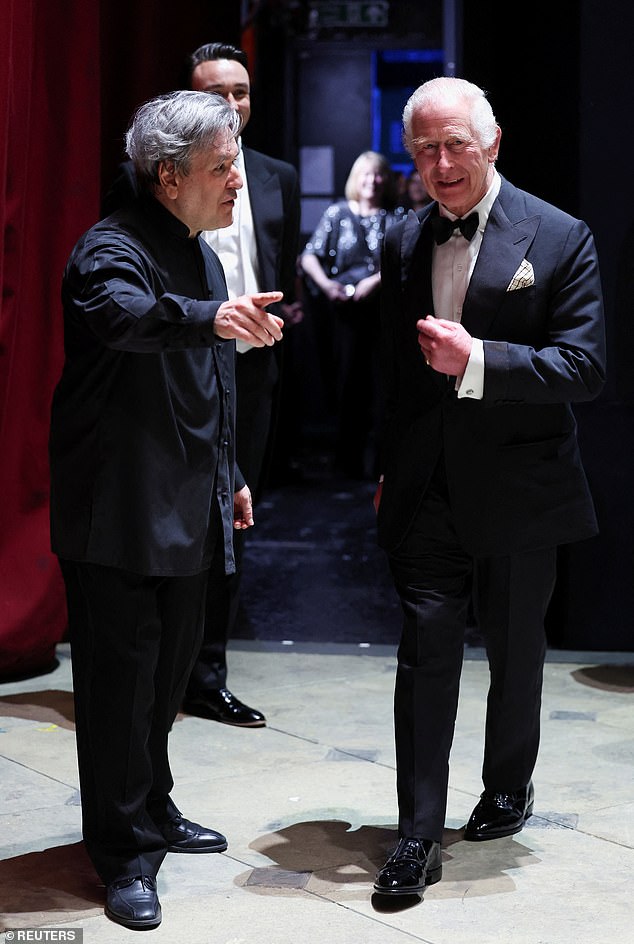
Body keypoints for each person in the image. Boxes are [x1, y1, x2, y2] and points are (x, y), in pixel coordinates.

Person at [49, 90, 284, 929]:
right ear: (166, 175)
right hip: (117, 513)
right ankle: (119, 854)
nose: (236, 184)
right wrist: (210, 318)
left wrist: (234, 474)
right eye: (222, 169)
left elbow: (210, 379)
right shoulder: (108, 251)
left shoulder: (206, 255)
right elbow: (129, 319)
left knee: (167, 684)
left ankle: (152, 807)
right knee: (118, 693)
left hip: (191, 501)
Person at [372, 76, 606, 898]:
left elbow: (584, 368)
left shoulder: (559, 234)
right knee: (425, 650)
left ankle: (509, 783)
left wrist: (477, 361)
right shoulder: (402, 239)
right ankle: (415, 835)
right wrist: (385, 467)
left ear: (493, 142)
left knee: (515, 652)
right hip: (428, 485)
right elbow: (393, 377)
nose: (441, 164)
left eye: (455, 146)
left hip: (520, 486)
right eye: (425, 149)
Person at [104, 42, 302, 728]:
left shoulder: (273, 176)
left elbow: (279, 262)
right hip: (179, 356)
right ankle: (164, 682)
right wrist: (215, 318)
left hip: (247, 361)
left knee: (230, 522)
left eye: (240, 93)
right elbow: (126, 307)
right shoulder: (129, 222)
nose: (231, 105)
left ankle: (205, 671)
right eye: (214, 93)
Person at [300, 151, 405, 479]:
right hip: (344, 313)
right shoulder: (337, 213)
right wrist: (327, 285)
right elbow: (309, 256)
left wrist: (374, 282)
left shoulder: (396, 216)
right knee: (347, 385)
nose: (372, 181)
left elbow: (406, 260)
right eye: (366, 175)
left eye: (378, 175)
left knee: (383, 388)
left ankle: (383, 465)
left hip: (382, 312)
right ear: (355, 179)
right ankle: (346, 463)